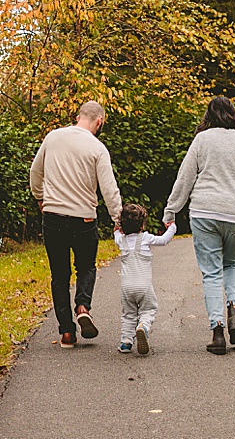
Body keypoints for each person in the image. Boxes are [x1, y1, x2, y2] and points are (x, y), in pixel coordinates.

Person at [162, 96, 235, 355]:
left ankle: (217, 331)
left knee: (211, 273)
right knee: (232, 264)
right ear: (234, 116)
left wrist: (171, 211)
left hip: (205, 212)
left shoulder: (202, 140)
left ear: (207, 116)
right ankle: (233, 309)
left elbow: (185, 177)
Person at [29, 101, 122, 348]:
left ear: (78, 116)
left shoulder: (53, 137)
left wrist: (41, 198)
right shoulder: (97, 148)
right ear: (99, 121)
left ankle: (67, 333)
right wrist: (118, 220)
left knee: (59, 275)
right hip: (84, 218)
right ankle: (83, 306)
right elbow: (109, 189)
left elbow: (35, 173)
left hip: (53, 216)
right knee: (86, 268)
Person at [112, 202, 176, 355]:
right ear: (142, 225)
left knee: (128, 314)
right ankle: (143, 326)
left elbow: (116, 234)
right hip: (144, 287)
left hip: (127, 288)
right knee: (148, 309)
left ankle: (126, 342)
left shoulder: (121, 240)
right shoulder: (146, 238)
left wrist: (116, 229)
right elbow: (164, 240)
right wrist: (172, 226)